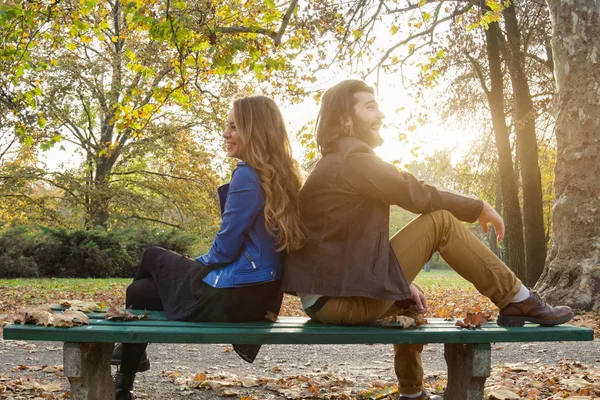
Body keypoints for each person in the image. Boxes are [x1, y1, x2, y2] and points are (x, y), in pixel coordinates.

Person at [282, 79, 573, 400]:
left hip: (331, 297)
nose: (381, 114)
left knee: (410, 302)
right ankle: (518, 299)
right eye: (370, 106)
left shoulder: (340, 159)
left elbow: (344, 244)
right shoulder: (353, 158)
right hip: (339, 300)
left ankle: (412, 392)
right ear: (345, 120)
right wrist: (477, 206)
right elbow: (414, 193)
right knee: (441, 221)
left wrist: (396, 280)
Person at [113, 95, 305, 400]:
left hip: (235, 293)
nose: (225, 134)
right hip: (261, 297)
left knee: (152, 255)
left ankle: (126, 361)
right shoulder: (284, 177)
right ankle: (124, 383)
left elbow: (224, 250)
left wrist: (195, 264)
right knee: (139, 294)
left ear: (254, 131)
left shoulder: (247, 174)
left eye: (234, 127)